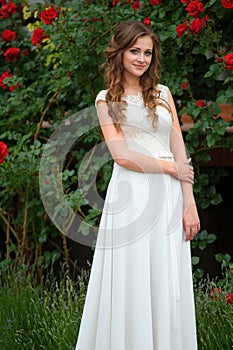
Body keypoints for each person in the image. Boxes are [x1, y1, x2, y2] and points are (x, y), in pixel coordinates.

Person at [75, 20, 200, 350]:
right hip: (132, 193)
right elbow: (121, 155)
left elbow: (178, 147)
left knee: (165, 277)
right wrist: (168, 168)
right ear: (120, 52)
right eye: (134, 51)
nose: (142, 58)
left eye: (147, 52)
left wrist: (189, 202)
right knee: (133, 277)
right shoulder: (106, 99)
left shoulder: (163, 94)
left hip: (171, 194)